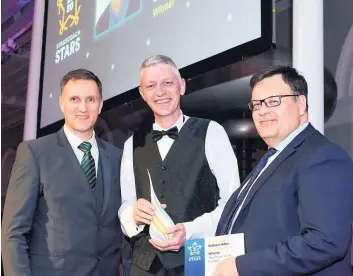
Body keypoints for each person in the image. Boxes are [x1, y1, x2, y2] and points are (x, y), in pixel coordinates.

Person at [214, 65, 353, 276]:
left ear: (301, 104)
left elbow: (325, 241)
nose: (262, 110)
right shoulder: (271, 159)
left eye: (273, 101)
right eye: (257, 104)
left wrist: (242, 266)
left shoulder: (322, 156)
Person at [118, 55, 241, 276]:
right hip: (144, 265)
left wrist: (191, 230)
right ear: (142, 93)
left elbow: (233, 203)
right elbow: (126, 205)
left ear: (181, 86)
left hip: (198, 260)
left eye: (167, 83)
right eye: (151, 86)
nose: (160, 92)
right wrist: (133, 214)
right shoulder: (131, 145)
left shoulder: (211, 132)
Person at [2, 69, 126, 276]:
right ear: (62, 103)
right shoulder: (35, 153)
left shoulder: (117, 157)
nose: (83, 108)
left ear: (100, 104)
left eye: (90, 99)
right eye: (75, 99)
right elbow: (14, 233)